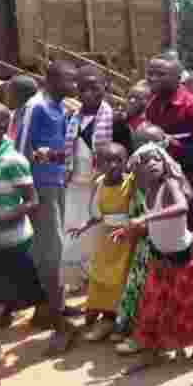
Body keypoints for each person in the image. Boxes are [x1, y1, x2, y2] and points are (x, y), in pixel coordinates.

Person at [111, 143, 193, 375]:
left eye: (156, 159)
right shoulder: (146, 193)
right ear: (137, 172)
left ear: (165, 163)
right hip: (159, 257)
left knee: (191, 308)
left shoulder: (170, 185)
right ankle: (153, 352)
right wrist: (130, 230)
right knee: (152, 308)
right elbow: (154, 225)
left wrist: (145, 217)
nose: (152, 164)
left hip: (183, 260)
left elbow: (181, 207)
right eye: (145, 161)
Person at [0, 101, 69, 384]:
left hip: (14, 242)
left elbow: (32, 202)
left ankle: (63, 329)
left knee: (40, 293)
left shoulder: (13, 161)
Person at [14, 60, 80, 354]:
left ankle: (54, 306)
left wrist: (60, 164)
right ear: (52, 79)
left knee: (55, 246)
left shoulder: (60, 108)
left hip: (56, 184)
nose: (74, 86)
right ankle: (56, 318)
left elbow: (58, 149)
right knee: (50, 249)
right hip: (39, 188)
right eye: (70, 80)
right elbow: (20, 148)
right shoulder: (36, 106)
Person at [66, 143, 138, 342]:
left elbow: (137, 213)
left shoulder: (131, 183)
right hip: (106, 239)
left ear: (126, 162)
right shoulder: (99, 183)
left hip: (126, 239)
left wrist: (128, 229)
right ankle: (105, 319)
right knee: (101, 277)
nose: (113, 165)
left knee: (121, 279)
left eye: (119, 160)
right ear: (98, 164)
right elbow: (98, 215)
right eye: (108, 161)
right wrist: (83, 226)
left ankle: (119, 322)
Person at [111, 123, 169, 353]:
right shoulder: (134, 176)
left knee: (157, 291)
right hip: (143, 246)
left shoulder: (168, 175)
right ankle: (137, 330)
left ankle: (149, 337)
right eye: (141, 145)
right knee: (139, 288)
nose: (147, 152)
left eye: (154, 145)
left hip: (163, 243)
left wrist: (142, 225)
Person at [145, 56, 193, 243]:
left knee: (189, 239)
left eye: (160, 74)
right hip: (160, 184)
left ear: (178, 78)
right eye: (149, 73)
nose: (152, 78)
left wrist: (170, 144)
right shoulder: (152, 105)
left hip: (190, 185)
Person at [63, 66, 115, 299]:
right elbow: (67, 151)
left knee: (98, 233)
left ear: (106, 87)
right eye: (82, 88)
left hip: (101, 184)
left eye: (94, 87)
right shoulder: (71, 118)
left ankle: (97, 280)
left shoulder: (115, 119)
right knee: (74, 231)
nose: (87, 93)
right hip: (75, 183)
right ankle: (76, 279)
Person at [4, 75, 38, 141]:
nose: (6, 96)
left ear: (19, 96)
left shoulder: (30, 121)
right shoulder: (14, 113)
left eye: (9, 92)